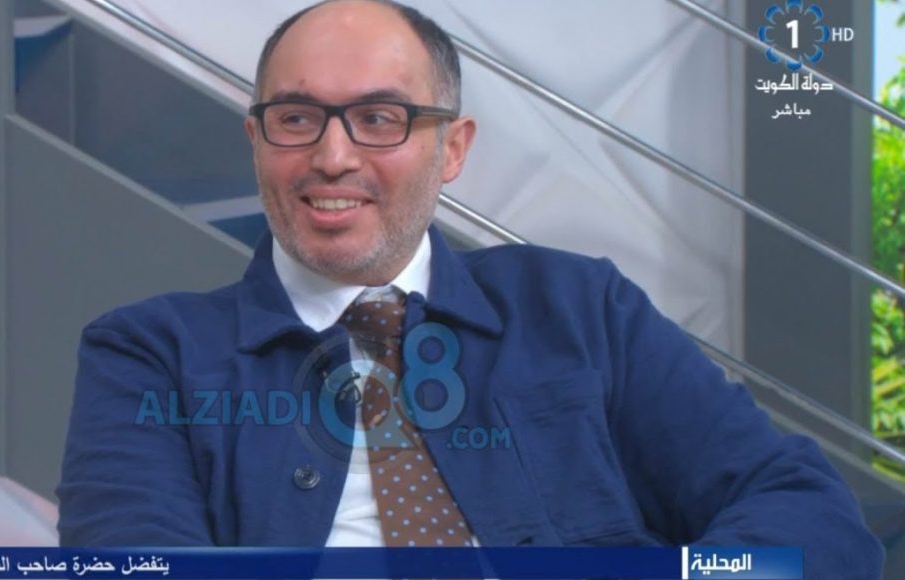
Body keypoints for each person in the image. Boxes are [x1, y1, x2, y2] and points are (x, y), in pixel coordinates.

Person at [56, 0, 884, 576]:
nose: (333, 157)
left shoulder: (581, 310)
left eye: (380, 119)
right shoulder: (148, 355)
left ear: (452, 150)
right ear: (256, 141)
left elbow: (801, 508)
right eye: (297, 118)